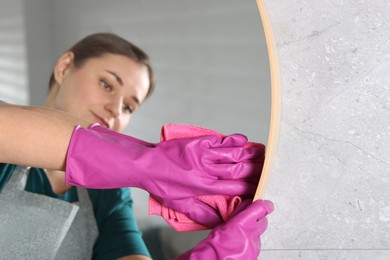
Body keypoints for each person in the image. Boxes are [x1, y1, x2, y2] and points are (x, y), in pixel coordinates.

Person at [0, 33, 273, 259]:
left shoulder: (109, 195)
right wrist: (150, 163)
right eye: (107, 84)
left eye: (129, 105)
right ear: (64, 68)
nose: (115, 109)